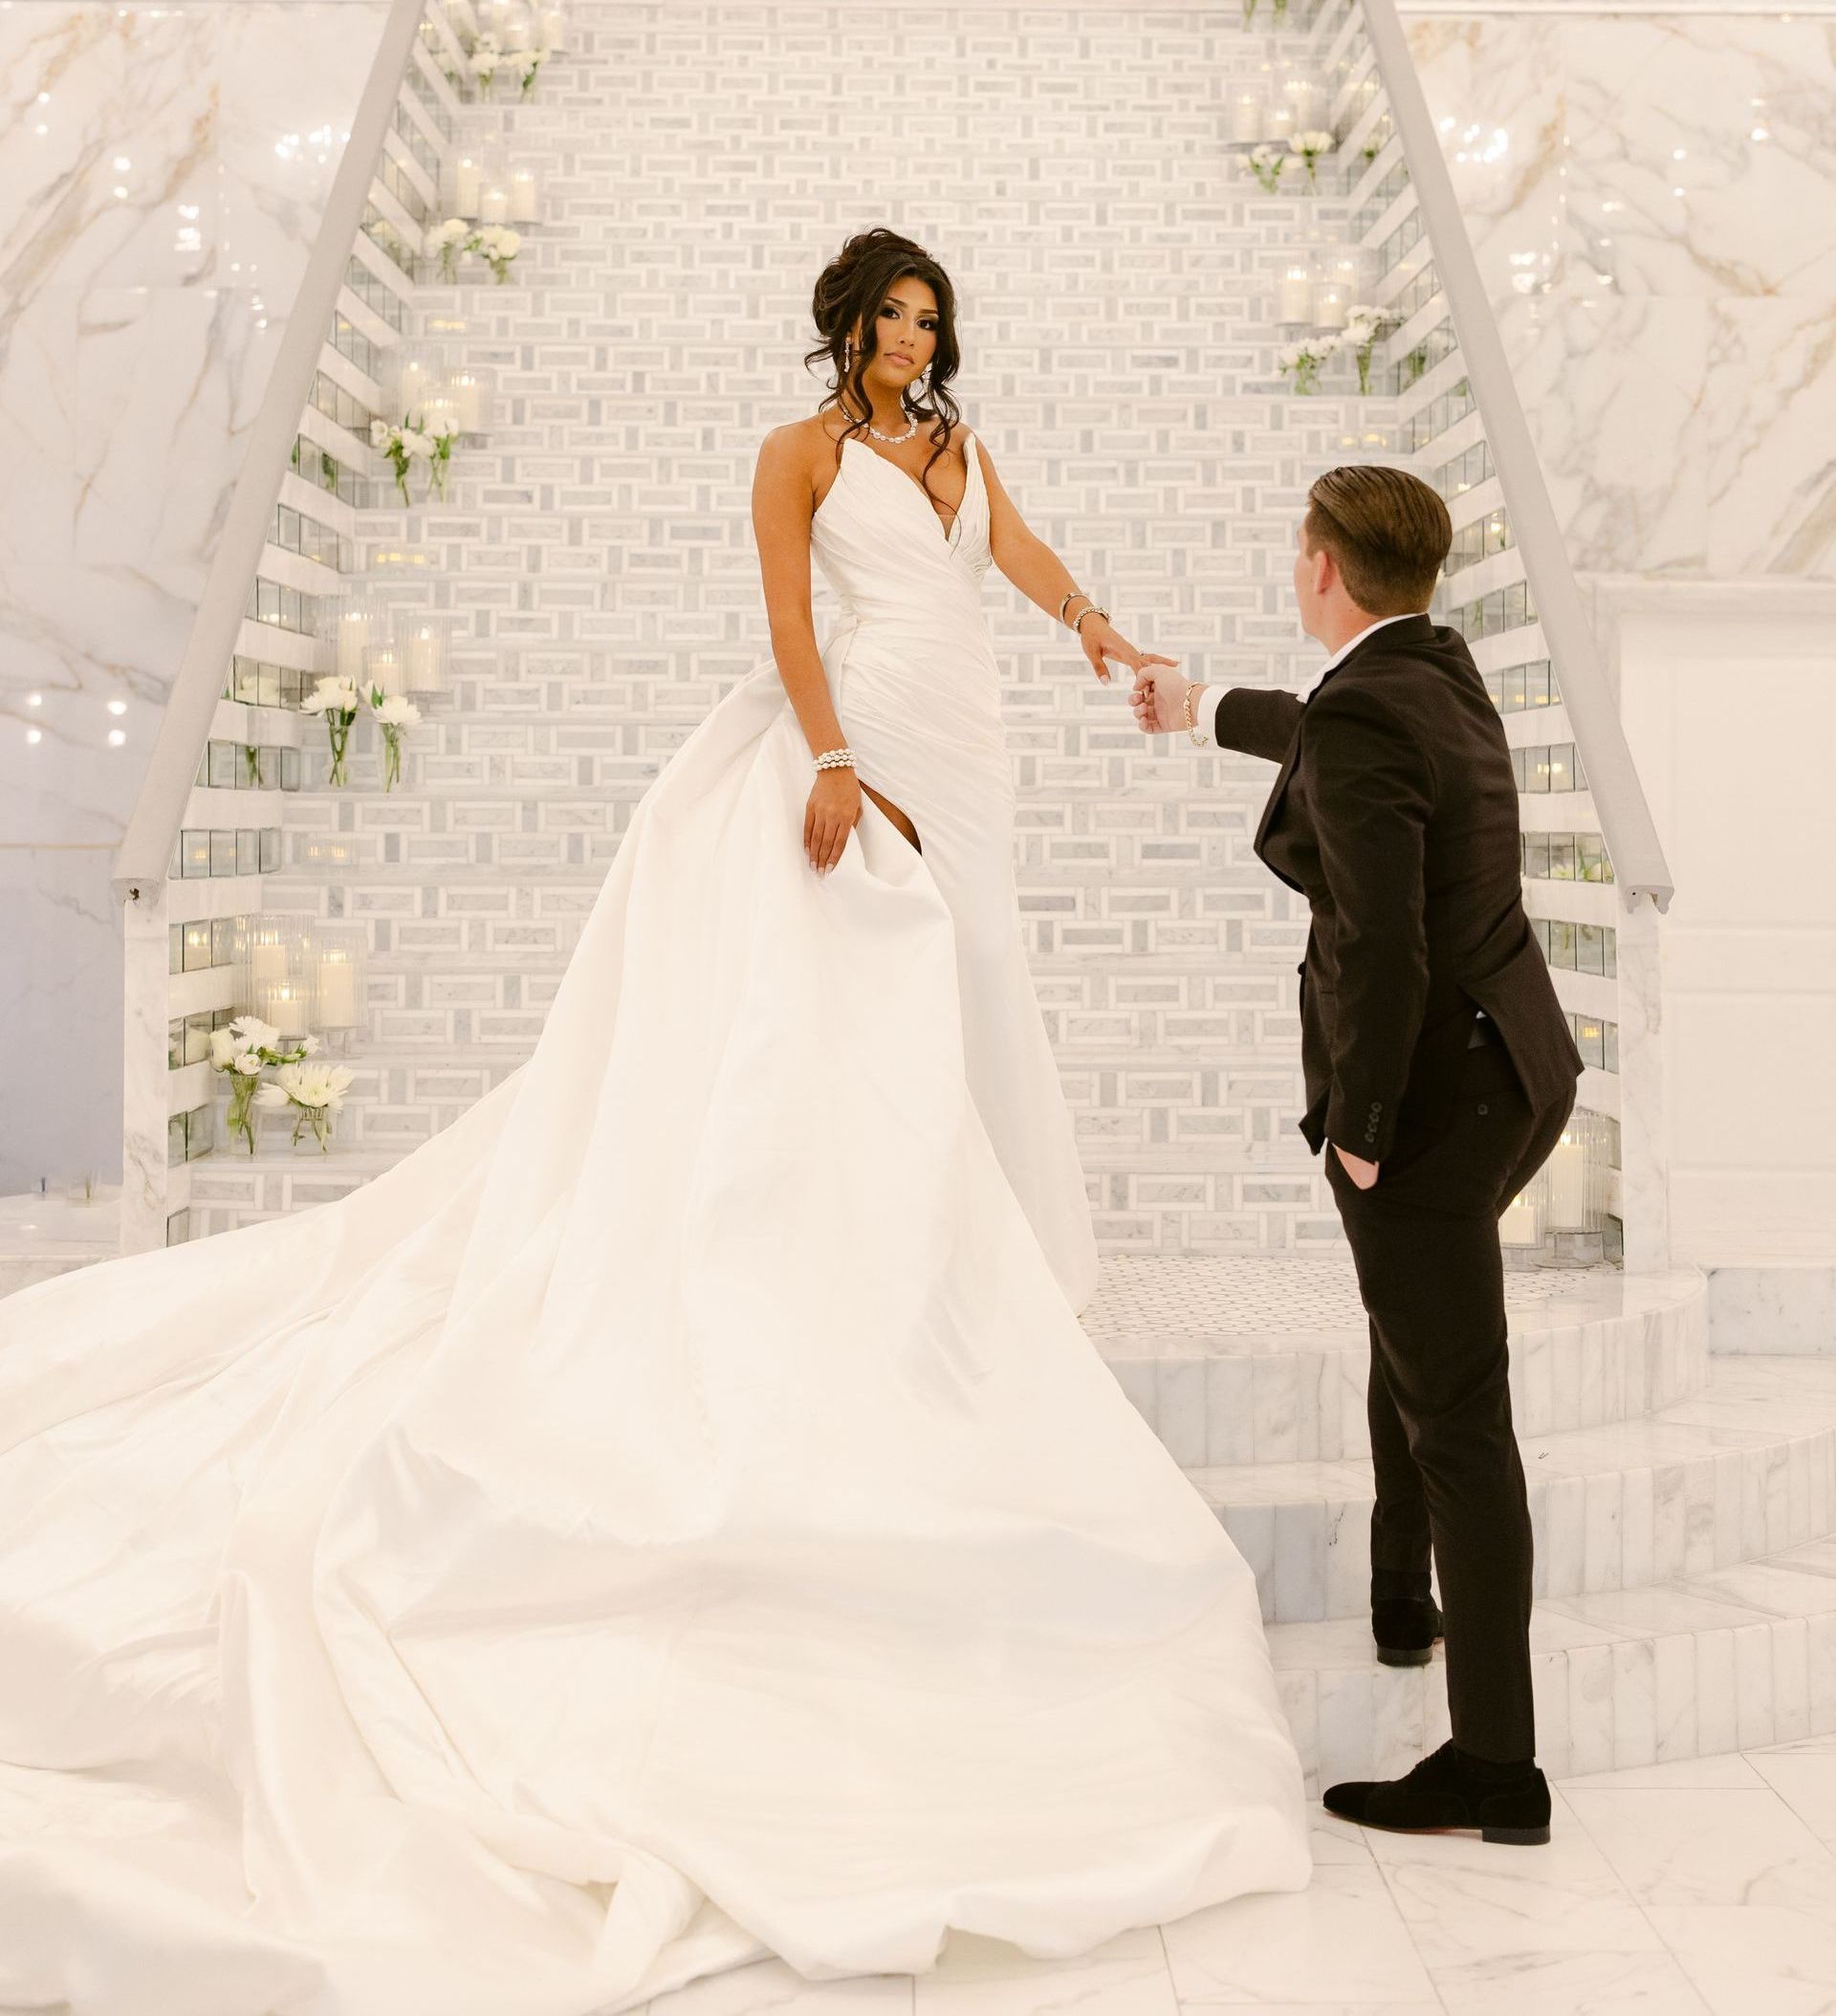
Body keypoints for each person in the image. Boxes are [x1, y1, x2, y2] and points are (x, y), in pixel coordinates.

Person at [0, 230, 1310, 2014]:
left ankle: (970, 1253)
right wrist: (835, 756)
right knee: (869, 999)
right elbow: (787, 613)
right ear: (842, 327)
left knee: (980, 977)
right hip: (866, 736)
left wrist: (1100, 631)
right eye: (893, 318)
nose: (916, 343)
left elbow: (1013, 554)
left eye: (936, 320)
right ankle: (855, 1252)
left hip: (977, 735)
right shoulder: (802, 456)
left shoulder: (957, 450)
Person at [1130, 463, 1583, 1846]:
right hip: (1523, 1071)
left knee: (1459, 1417)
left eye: (1295, 552)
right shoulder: (1436, 668)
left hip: (1432, 1108)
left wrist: (1368, 1136)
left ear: (1323, 569)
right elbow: (1327, 725)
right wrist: (1196, 702)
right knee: (1417, 1337)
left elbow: (1387, 944)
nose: (1293, 569)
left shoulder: (1374, 706)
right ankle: (1402, 1598)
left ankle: (1498, 1770)